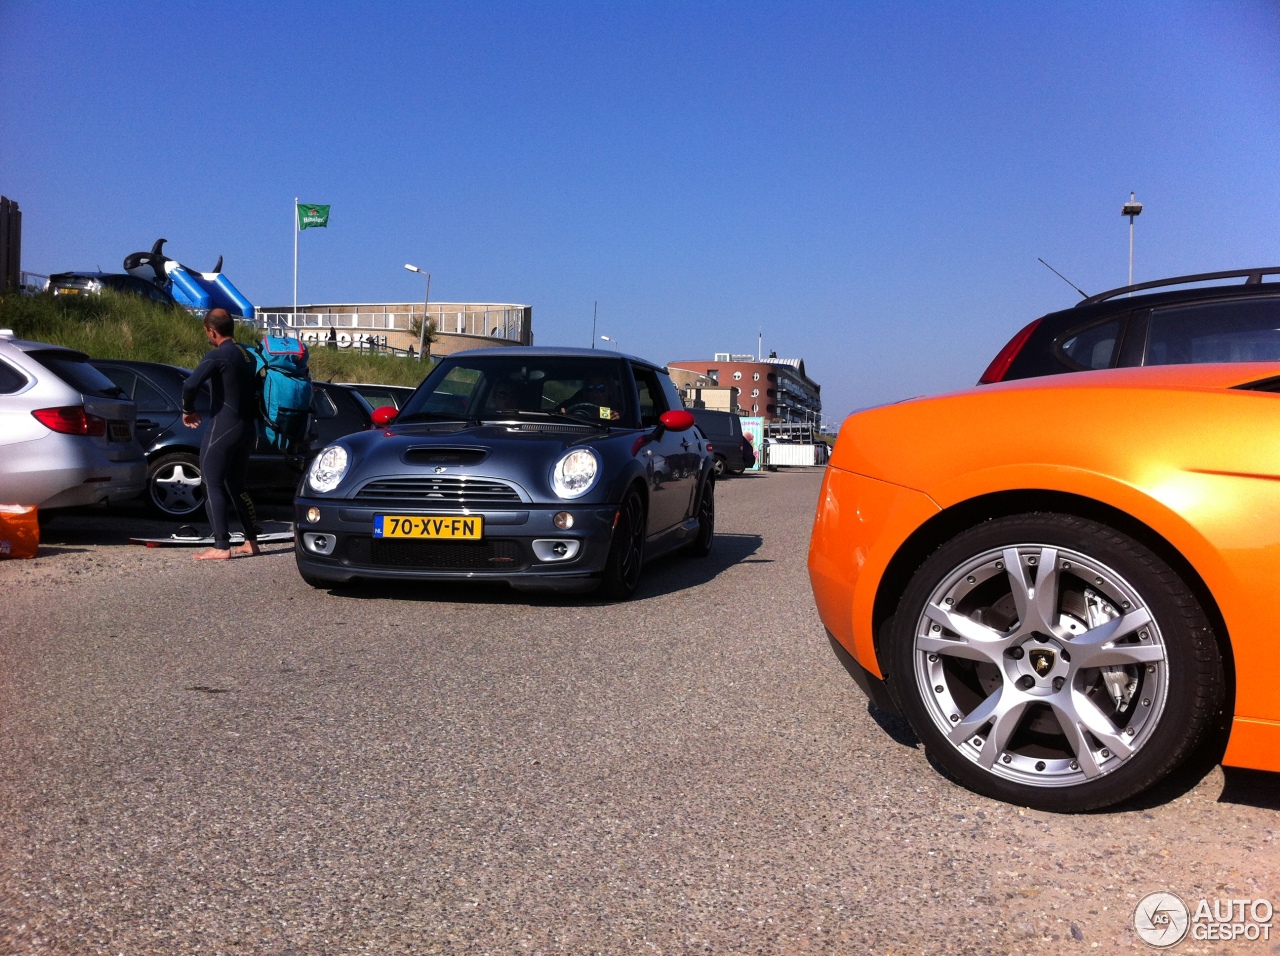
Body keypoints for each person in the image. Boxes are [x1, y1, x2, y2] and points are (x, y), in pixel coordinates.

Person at [181, 308, 262, 561]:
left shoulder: (218, 355)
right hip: (248, 429)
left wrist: (188, 410)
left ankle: (221, 545)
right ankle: (252, 542)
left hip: (224, 428)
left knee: (211, 483)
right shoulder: (249, 355)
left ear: (212, 331)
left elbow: (190, 384)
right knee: (237, 486)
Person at [557, 369, 623, 421]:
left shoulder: (617, 413)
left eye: (601, 387)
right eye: (590, 387)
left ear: (610, 391)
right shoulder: (577, 411)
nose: (595, 392)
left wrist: (616, 422)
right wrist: (565, 417)